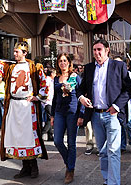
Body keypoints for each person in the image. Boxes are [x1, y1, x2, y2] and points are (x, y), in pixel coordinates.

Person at [0, 33, 48, 179]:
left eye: (17, 52)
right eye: (14, 51)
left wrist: (37, 97)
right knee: (17, 137)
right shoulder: (9, 67)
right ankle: (24, 167)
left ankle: (33, 166)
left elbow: (44, 83)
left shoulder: (34, 67)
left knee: (29, 136)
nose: (14, 54)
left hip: (28, 106)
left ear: (25, 53)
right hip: (13, 105)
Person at [77, 39, 131, 185]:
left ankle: (114, 183)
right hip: (96, 115)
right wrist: (82, 97)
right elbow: (80, 88)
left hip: (112, 115)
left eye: (99, 49)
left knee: (114, 151)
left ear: (107, 50)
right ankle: (107, 180)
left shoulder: (118, 66)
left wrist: (117, 106)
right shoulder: (89, 68)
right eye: (94, 50)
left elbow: (129, 89)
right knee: (102, 151)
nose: (97, 53)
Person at [51, 53, 82, 184]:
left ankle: (70, 170)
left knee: (71, 143)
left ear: (69, 63)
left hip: (72, 112)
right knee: (57, 141)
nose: (62, 63)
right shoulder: (56, 78)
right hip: (59, 112)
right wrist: (52, 115)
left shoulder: (75, 77)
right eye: (60, 61)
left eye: (65, 61)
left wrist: (81, 115)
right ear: (58, 64)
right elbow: (54, 98)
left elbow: (81, 95)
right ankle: (69, 162)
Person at [114, 56, 131, 154]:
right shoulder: (112, 74)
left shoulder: (128, 74)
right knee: (120, 125)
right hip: (116, 104)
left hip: (126, 103)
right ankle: (122, 145)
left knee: (128, 124)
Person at [43, 68, 55, 141]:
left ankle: (50, 136)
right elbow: (45, 89)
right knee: (50, 119)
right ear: (51, 74)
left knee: (49, 118)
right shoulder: (47, 80)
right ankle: (41, 133)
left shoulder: (51, 80)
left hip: (51, 101)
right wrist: (46, 97)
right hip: (48, 102)